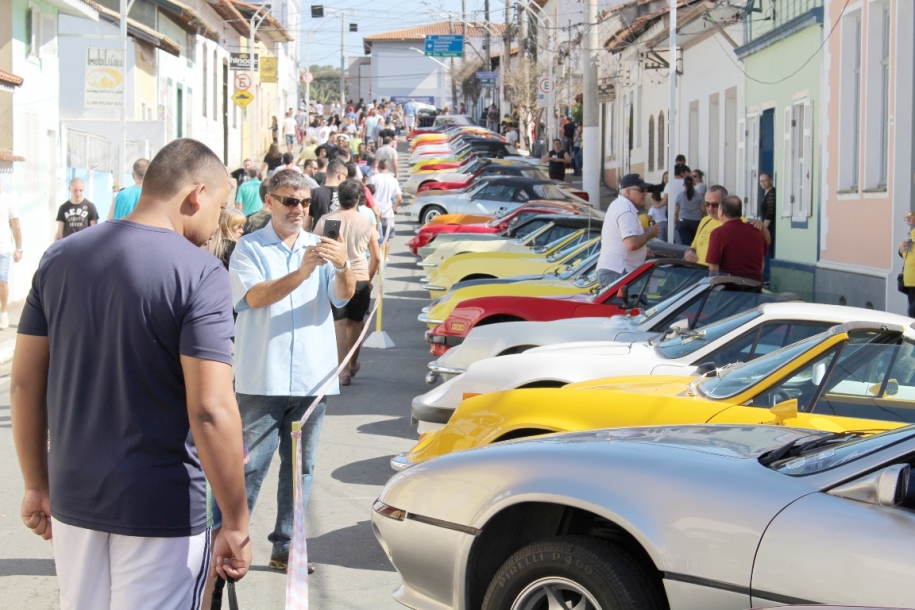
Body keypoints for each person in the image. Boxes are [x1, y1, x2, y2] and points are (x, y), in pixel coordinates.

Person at [12, 139, 251, 609]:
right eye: (220, 207)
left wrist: (36, 484)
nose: (216, 226)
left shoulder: (59, 258)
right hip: (162, 508)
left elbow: (23, 384)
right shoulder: (202, 274)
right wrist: (237, 521)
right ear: (196, 194)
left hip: (73, 499)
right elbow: (210, 409)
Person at [228, 169, 354, 573]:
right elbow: (255, 297)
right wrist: (302, 271)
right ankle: (229, 543)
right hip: (262, 377)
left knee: (300, 469)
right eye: (289, 201)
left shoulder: (322, 245)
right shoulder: (249, 248)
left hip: (312, 379)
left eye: (304, 202)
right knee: (249, 467)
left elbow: (343, 297)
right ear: (269, 201)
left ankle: (287, 547)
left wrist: (344, 265)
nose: (298, 209)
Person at [314, 179, 380, 386]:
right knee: (356, 324)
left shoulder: (329, 221)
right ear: (359, 199)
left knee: (339, 325)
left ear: (338, 198)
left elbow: (317, 248)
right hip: (360, 276)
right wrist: (369, 279)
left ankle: (342, 370)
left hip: (336, 277)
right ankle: (352, 363)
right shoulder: (366, 222)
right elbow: (376, 257)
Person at [597, 173, 660, 288]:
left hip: (613, 271)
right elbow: (631, 244)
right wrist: (649, 233)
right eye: (641, 190)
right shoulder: (626, 210)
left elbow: (622, 242)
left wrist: (642, 251)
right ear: (627, 192)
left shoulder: (619, 205)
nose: (645, 193)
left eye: (645, 190)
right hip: (617, 272)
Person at [684, 186, 770, 266]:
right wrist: (688, 253)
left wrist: (762, 227)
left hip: (721, 276)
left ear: (724, 204)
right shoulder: (705, 220)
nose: (710, 208)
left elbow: (766, 242)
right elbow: (694, 246)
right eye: (707, 204)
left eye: (714, 205)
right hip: (700, 273)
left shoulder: (740, 222)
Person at [706, 196, 768, 282]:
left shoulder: (718, 233)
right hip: (754, 286)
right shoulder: (756, 231)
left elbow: (713, 268)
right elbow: (762, 264)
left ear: (721, 212)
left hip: (730, 288)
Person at [0, 182, 22, 329]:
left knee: (2, 281)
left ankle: (3, 314)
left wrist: (19, 248)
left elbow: (16, 225)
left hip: (4, 249)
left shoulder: (7, 200)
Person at [307, 160, 347, 231]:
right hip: (340, 238)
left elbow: (307, 224)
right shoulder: (345, 193)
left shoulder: (313, 192)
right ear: (340, 175)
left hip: (318, 237)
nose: (346, 179)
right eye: (345, 176)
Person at [369, 158, 401, 246]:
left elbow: (368, 195)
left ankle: (376, 256)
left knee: (373, 238)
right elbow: (399, 198)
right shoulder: (393, 180)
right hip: (388, 212)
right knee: (387, 238)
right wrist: (394, 207)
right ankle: (385, 257)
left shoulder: (373, 179)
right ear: (389, 167)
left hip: (374, 212)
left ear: (378, 167)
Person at [674, 174, 705, 246]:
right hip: (696, 221)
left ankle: (687, 256)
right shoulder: (699, 196)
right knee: (695, 243)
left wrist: (675, 223)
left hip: (683, 220)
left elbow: (676, 212)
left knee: (686, 244)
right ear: (693, 183)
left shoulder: (680, 195)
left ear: (684, 185)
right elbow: (703, 211)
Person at [898, 212, 915, 317]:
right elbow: (905, 253)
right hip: (910, 281)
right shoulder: (912, 233)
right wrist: (901, 249)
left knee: (913, 311)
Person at [759, 172, 776, 257]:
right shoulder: (766, 193)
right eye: (761, 181)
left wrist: (763, 229)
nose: (763, 183)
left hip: (770, 226)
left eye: (765, 180)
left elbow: (769, 214)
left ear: (771, 181)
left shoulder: (771, 194)